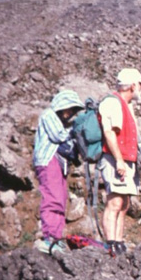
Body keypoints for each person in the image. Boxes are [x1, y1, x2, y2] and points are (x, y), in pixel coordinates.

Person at [98, 68, 141, 255]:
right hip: (115, 159)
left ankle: (118, 242)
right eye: (140, 85)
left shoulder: (127, 105)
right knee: (115, 202)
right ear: (132, 85)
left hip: (127, 160)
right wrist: (118, 160)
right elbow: (109, 132)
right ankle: (111, 243)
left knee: (124, 203)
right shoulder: (113, 103)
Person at [33, 89, 85, 255]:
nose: (69, 114)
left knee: (61, 200)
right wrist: (74, 132)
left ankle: (56, 237)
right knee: (53, 199)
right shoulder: (49, 115)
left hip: (57, 164)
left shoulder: (59, 121)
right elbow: (58, 136)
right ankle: (49, 238)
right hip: (48, 162)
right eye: (68, 109)